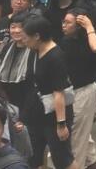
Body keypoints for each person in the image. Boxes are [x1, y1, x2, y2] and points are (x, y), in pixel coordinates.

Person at [21, 14, 76, 169]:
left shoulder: (56, 57)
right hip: (37, 112)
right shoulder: (34, 51)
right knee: (34, 156)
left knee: (63, 159)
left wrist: (61, 124)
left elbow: (59, 93)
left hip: (55, 114)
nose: (24, 40)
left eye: (26, 37)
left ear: (37, 36)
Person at [57, 9, 96, 169]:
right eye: (64, 21)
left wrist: (89, 26)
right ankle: (92, 165)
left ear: (79, 25)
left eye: (68, 23)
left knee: (76, 139)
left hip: (85, 91)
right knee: (82, 135)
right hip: (71, 91)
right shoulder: (65, 41)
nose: (64, 25)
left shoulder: (89, 38)